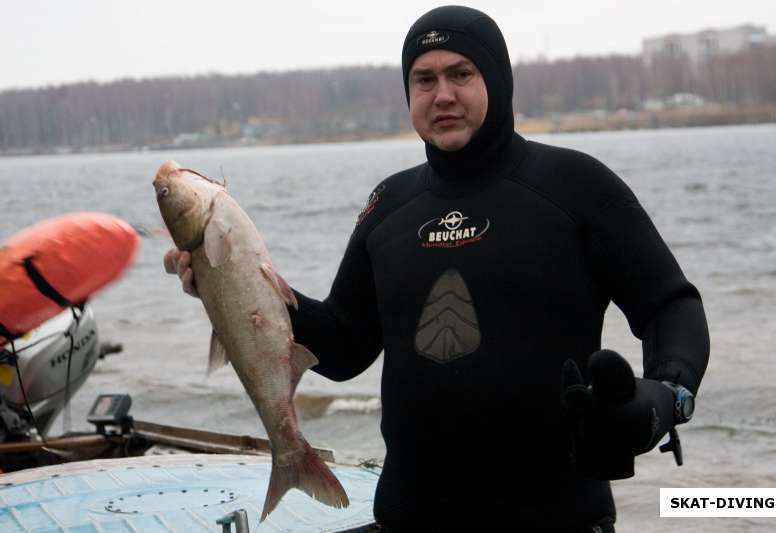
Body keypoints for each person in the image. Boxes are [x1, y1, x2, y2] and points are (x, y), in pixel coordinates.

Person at [165, 6, 709, 531]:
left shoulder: (576, 186)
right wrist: (230, 286)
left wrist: (664, 395)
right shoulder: (389, 206)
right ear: (408, 94)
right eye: (423, 80)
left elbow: (670, 306)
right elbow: (344, 345)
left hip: (558, 517)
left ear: (495, 80)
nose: (442, 94)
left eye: (460, 73)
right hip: (410, 517)